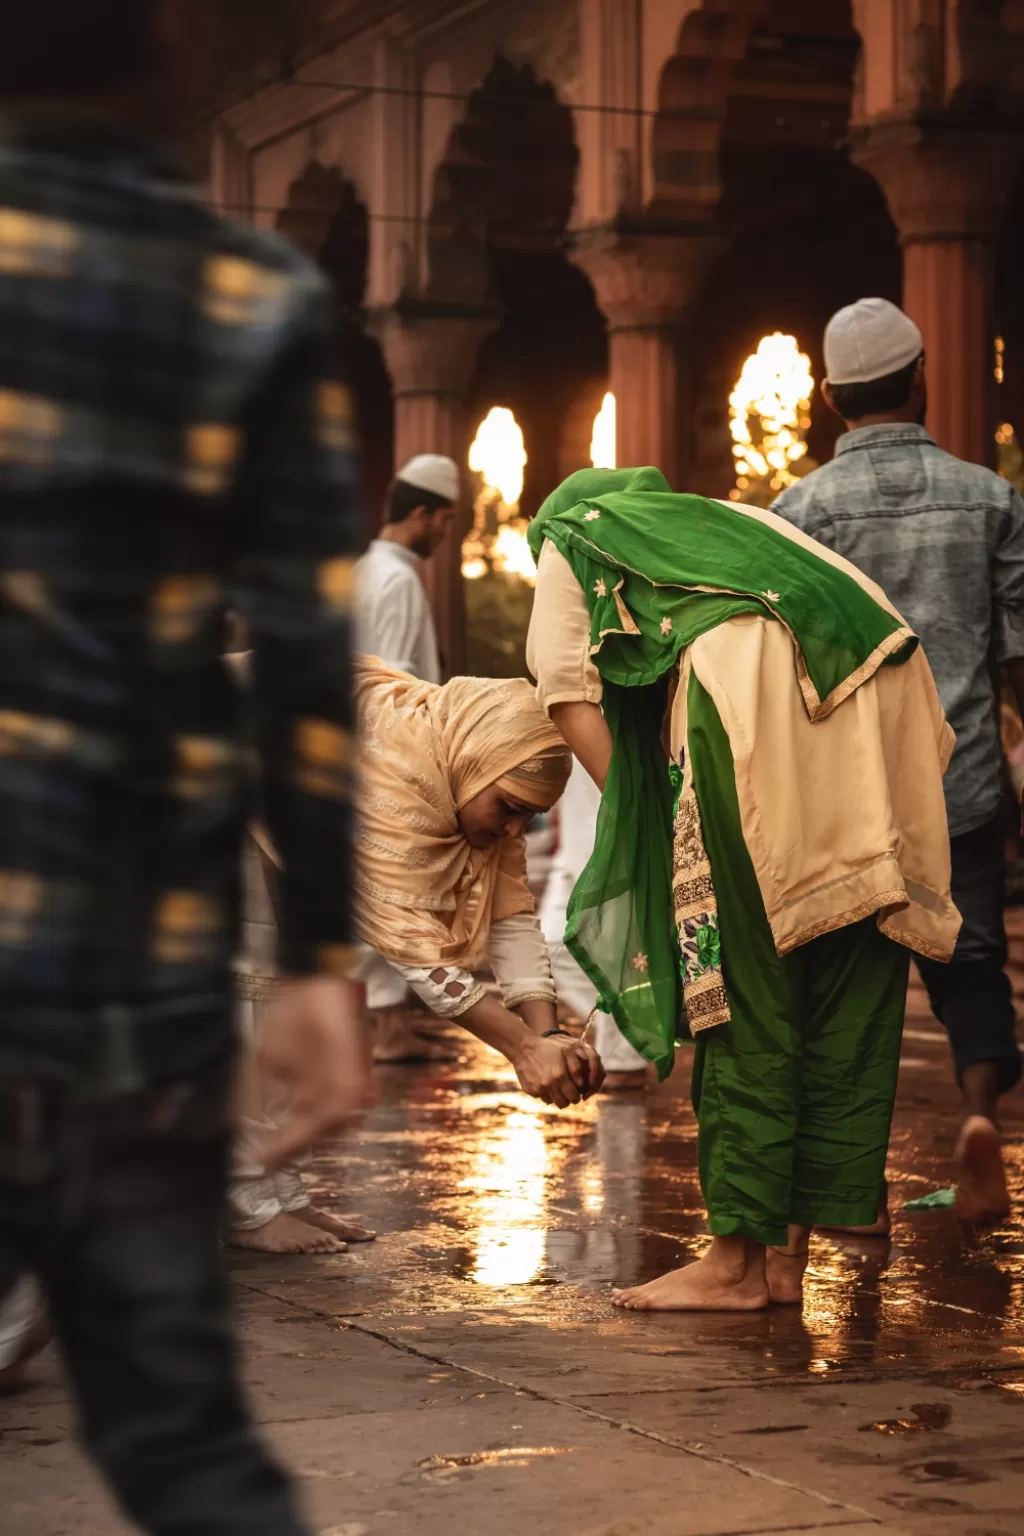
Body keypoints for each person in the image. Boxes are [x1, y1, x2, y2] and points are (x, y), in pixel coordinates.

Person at [0, 5, 372, 1533]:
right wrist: (315, 964)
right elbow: (300, 670)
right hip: (128, 959)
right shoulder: (246, 291)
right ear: (172, 50)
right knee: (176, 1433)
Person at [526, 467, 959, 1311]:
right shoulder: (726, 523)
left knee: (741, 986)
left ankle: (732, 1266)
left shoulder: (571, 534)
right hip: (890, 692)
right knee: (837, 968)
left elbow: (565, 692)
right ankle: (784, 1263)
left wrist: (652, 826)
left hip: (754, 704)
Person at [773, 297, 1024, 1224]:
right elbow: (1018, 653)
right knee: (974, 960)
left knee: (848, 979)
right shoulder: (992, 499)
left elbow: (786, 668)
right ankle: (976, 1115)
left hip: (849, 795)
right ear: (922, 378)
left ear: (831, 395)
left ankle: (859, 1191)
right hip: (961, 783)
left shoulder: (796, 512)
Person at [226, 660, 605, 1262]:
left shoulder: (464, 765)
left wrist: (547, 1032)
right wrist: (523, 1048)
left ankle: (280, 1194)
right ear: (478, 767)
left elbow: (512, 917)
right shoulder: (399, 778)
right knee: (249, 996)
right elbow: (420, 961)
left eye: (526, 819)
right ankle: (245, 1205)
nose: (512, 829)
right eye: (507, 808)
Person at [354, 455, 461, 1063]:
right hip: (386, 757)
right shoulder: (394, 580)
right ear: (420, 515)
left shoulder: (366, 571)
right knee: (397, 890)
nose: (446, 534)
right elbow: (390, 684)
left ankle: (387, 1025)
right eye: (444, 520)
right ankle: (388, 1031)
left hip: (364, 755)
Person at [539, 759, 650, 1090]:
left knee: (618, 954)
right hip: (576, 853)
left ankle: (624, 1056)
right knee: (550, 946)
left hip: (617, 850)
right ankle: (632, 1030)